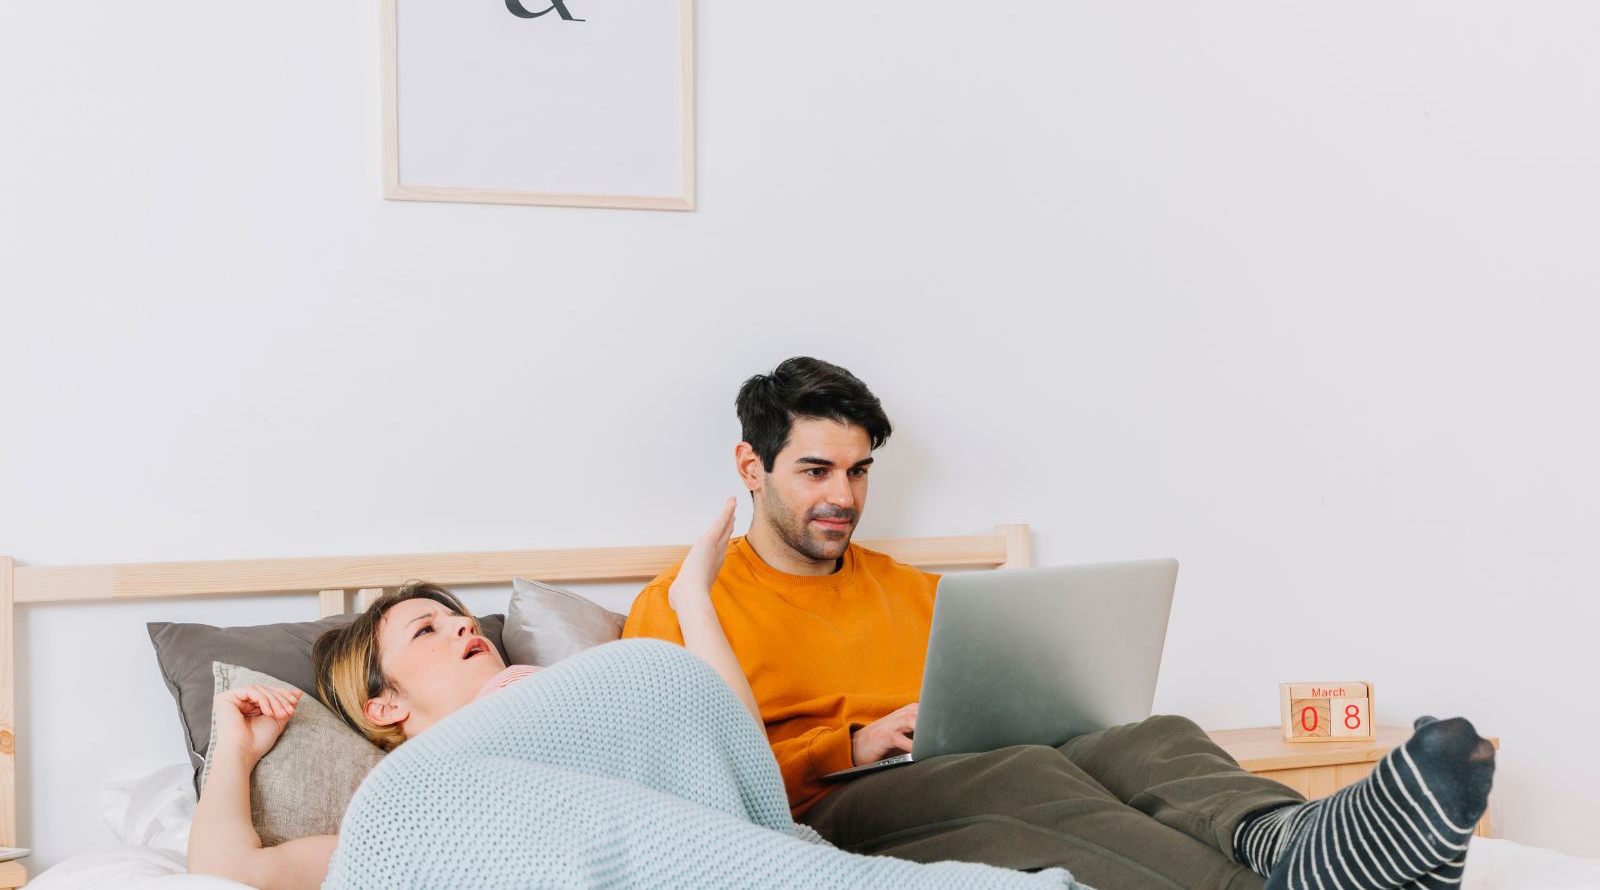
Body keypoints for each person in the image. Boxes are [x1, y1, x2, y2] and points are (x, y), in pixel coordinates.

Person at [623, 356, 1497, 890]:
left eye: (859, 472)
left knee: (1148, 734)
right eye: (816, 471)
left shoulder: (916, 590)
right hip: (836, 806)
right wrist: (846, 747)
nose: (843, 497)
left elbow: (1003, 705)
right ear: (752, 465)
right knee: (1021, 775)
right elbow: (688, 784)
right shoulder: (684, 602)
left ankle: (1293, 840)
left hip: (964, 762)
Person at [187, 500, 762, 890]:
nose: (465, 624)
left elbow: (739, 750)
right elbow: (229, 873)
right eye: (426, 630)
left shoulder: (579, 692)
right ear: (384, 706)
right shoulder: (403, 811)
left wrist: (693, 597)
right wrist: (235, 749)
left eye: (457, 617)